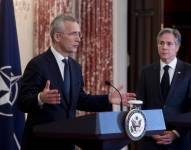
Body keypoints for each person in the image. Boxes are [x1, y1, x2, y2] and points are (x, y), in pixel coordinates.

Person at [17, 14, 136, 150]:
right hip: (41, 143)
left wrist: (107, 99)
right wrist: (40, 98)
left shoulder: (75, 67)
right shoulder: (38, 65)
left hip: (67, 142)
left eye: (79, 35)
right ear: (57, 37)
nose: (78, 39)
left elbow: (79, 99)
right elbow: (22, 102)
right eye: (74, 34)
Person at [136, 28, 191, 150]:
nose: (164, 47)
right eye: (161, 43)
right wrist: (149, 131)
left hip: (180, 141)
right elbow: (139, 106)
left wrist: (176, 133)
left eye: (169, 43)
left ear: (177, 47)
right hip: (150, 142)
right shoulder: (146, 72)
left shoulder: (189, 71)